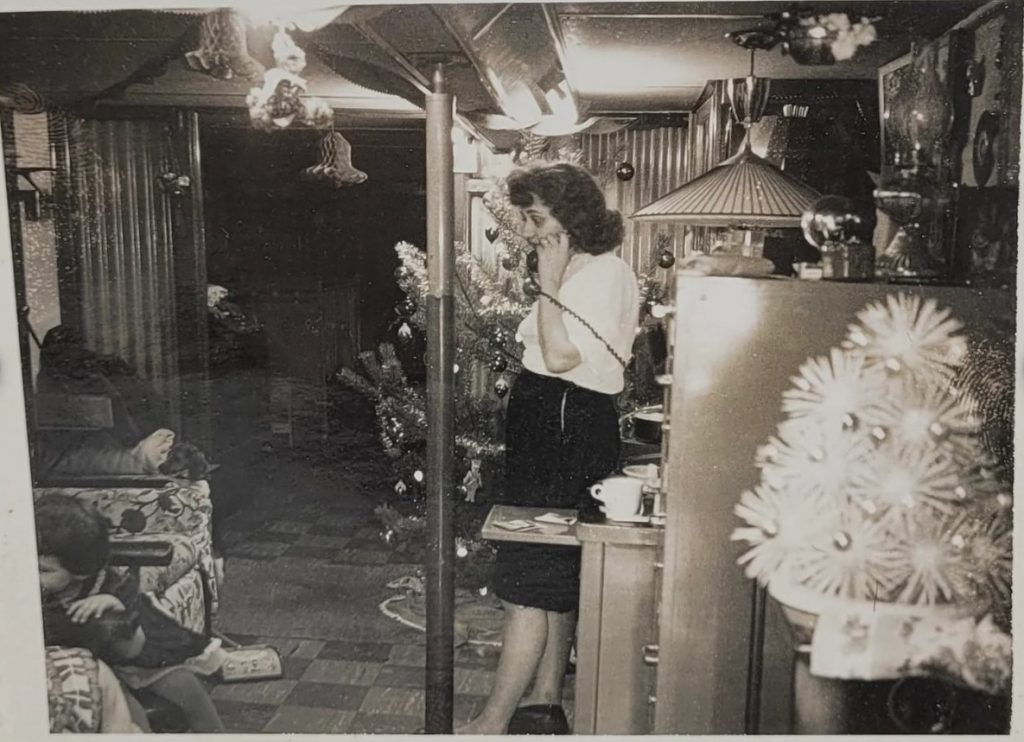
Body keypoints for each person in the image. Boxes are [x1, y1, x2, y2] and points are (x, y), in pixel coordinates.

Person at [459, 162, 640, 735]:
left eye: (536, 217)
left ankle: (490, 724)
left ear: (570, 216)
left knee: (527, 578)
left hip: (563, 422)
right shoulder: (588, 268)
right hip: (556, 422)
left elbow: (562, 358)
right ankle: (543, 701)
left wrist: (550, 281)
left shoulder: (600, 275)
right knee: (553, 573)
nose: (528, 230)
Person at [35, 493, 225, 732]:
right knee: (128, 714)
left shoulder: (113, 585)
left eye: (43, 569)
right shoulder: (31, 594)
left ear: (80, 571)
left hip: (136, 655)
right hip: (97, 668)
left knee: (186, 687)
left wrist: (115, 605)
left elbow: (135, 644)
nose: (31, 573)